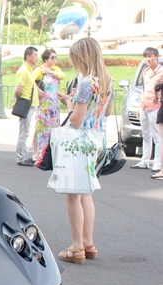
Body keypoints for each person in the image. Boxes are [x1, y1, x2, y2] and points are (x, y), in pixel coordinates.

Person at [55, 37, 113, 264]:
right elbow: (106, 112)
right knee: (86, 193)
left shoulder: (86, 83)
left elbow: (77, 120)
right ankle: (88, 243)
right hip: (97, 139)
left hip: (79, 142)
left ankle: (76, 246)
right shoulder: (106, 80)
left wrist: (69, 104)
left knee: (73, 194)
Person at [131, 47, 163, 172]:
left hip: (155, 106)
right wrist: (139, 107)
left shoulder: (161, 72)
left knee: (157, 136)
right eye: (146, 57)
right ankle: (144, 161)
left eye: (150, 56)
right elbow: (144, 89)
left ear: (156, 56)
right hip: (144, 105)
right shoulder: (146, 71)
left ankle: (157, 162)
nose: (148, 59)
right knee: (145, 135)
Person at [33, 49, 65, 158]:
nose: (54, 60)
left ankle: (51, 151)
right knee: (41, 126)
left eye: (55, 58)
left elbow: (62, 75)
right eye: (52, 58)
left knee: (54, 127)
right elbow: (31, 80)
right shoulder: (39, 70)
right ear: (46, 59)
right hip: (44, 104)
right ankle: (37, 151)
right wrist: (38, 90)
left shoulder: (55, 69)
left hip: (55, 104)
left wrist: (50, 72)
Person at [14, 46, 41, 166]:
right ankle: (21, 157)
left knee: (25, 131)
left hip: (30, 104)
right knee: (24, 132)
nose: (37, 57)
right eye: (35, 55)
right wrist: (18, 100)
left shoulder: (29, 70)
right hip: (26, 103)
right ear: (28, 56)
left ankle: (23, 155)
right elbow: (18, 90)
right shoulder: (23, 71)